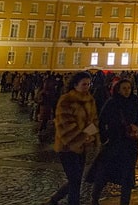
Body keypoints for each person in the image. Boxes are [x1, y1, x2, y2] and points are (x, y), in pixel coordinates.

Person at [45, 71, 100, 205]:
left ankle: (54, 200)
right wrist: (83, 136)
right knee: (75, 179)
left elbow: (94, 120)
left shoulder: (90, 100)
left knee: (76, 179)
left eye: (88, 84)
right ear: (75, 85)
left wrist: (90, 135)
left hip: (82, 146)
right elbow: (65, 125)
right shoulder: (66, 100)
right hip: (67, 147)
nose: (86, 87)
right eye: (84, 84)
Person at [90, 78, 138, 205]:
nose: (127, 91)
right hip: (114, 143)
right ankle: (94, 198)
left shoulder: (134, 101)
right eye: (124, 88)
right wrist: (104, 137)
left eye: (129, 88)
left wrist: (136, 127)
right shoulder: (112, 102)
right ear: (118, 89)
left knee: (128, 176)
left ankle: (125, 202)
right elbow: (101, 121)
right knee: (104, 173)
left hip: (130, 144)